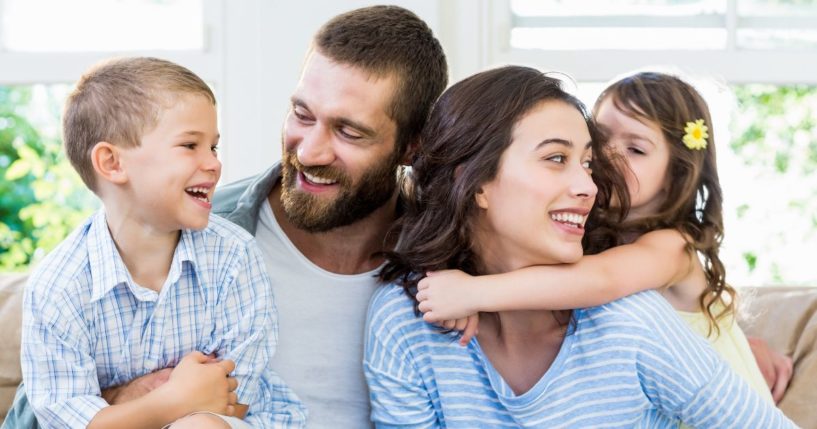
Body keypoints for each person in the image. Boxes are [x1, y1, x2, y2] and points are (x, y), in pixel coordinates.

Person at [364, 65, 797, 427]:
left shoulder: (639, 302)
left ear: (678, 175)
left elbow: (606, 280)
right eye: (557, 158)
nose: (592, 182)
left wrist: (473, 293)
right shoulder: (404, 321)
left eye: (587, 162)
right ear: (473, 181)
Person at [5, 57, 305, 429]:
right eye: (189, 145)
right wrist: (173, 399)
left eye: (213, 147)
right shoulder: (59, 288)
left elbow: (233, 400)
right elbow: (71, 422)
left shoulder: (234, 257)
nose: (213, 164)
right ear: (112, 163)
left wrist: (122, 408)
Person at [211, 5, 448, 427]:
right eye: (302, 115)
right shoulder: (204, 230)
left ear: (412, 148)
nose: (308, 152)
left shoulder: (453, 257)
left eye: (349, 132)